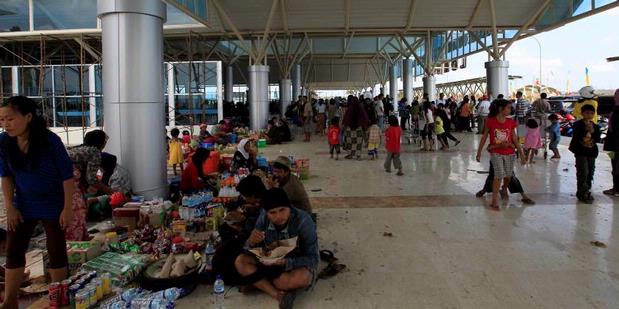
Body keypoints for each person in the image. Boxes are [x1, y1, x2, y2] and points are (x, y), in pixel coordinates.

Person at [0, 96, 74, 309]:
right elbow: (6, 176)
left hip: (53, 202)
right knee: (14, 249)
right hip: (23, 203)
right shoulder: (4, 142)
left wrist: (67, 208)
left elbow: (66, 176)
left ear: (28, 117)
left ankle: (59, 299)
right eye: (2, 120)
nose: (5, 124)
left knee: (55, 248)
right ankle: (10, 301)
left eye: (10, 119)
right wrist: (10, 206)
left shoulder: (49, 140)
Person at [234, 188, 319, 309]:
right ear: (266, 212)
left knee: (301, 279)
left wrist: (286, 262)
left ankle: (257, 282)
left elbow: (313, 258)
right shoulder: (264, 217)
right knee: (240, 261)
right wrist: (250, 242)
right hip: (270, 259)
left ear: (289, 207)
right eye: (272, 212)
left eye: (282, 210)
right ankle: (277, 295)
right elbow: (249, 248)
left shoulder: (304, 221)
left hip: (293, 261)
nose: (278, 216)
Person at [476, 99, 526, 210]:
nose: (510, 109)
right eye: (508, 107)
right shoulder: (490, 121)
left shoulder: (511, 122)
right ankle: (494, 201)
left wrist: (522, 154)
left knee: (508, 175)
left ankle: (504, 188)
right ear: (500, 109)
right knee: (498, 175)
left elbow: (514, 139)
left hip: (510, 152)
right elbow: (484, 137)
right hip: (495, 152)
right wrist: (479, 152)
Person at [569, 104, 601, 204]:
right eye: (587, 113)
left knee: (590, 172)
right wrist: (586, 130)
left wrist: (592, 131)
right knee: (583, 172)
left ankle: (587, 190)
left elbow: (597, 138)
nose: (589, 115)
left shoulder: (595, 126)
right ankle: (582, 193)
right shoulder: (578, 124)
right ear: (582, 113)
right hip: (580, 152)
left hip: (591, 152)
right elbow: (577, 135)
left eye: (592, 113)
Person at [603, 90, 619, 196]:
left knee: (617, 167)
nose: (614, 97)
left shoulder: (617, 111)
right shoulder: (616, 109)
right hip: (614, 145)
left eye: (616, 95)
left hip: (616, 146)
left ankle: (616, 189)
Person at [342, 96, 369, 160]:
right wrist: (364, 127)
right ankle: (358, 156)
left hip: (349, 128)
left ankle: (350, 154)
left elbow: (346, 119)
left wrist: (344, 127)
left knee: (349, 142)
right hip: (358, 128)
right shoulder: (360, 108)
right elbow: (365, 118)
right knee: (358, 142)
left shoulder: (349, 109)